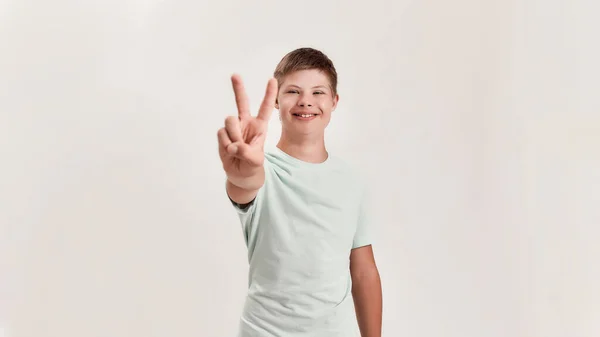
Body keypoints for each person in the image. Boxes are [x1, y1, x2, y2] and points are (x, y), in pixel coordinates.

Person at [217, 47, 382, 337]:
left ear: (334, 101)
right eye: (293, 91)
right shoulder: (261, 168)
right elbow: (245, 186)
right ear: (277, 101)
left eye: (318, 92)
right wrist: (242, 174)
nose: (306, 101)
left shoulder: (353, 180)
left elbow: (363, 269)